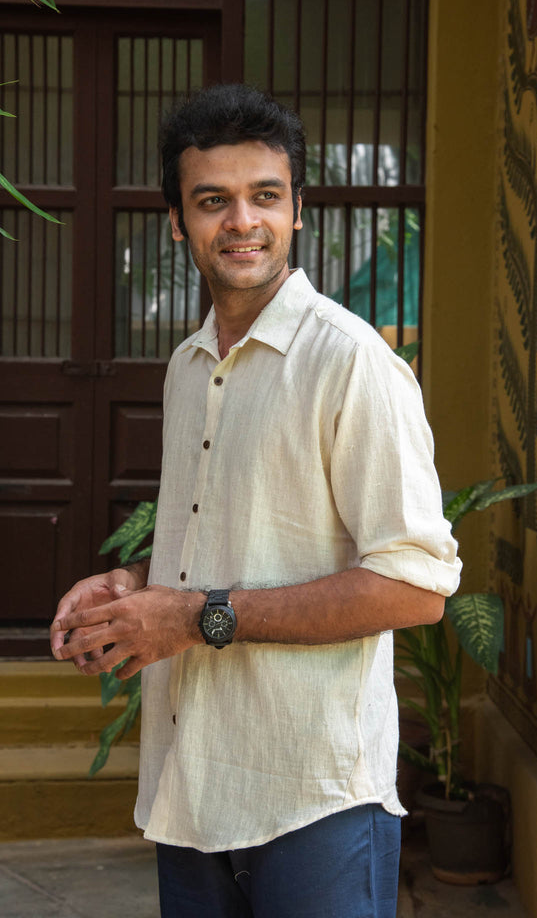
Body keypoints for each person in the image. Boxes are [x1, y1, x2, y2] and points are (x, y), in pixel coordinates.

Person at [50, 83, 461, 918]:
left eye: (264, 196)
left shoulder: (350, 362)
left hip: (314, 798)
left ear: (297, 211)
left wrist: (196, 616)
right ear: (178, 221)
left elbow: (416, 587)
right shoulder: (188, 365)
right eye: (213, 201)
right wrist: (134, 585)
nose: (242, 222)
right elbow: (227, 531)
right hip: (193, 786)